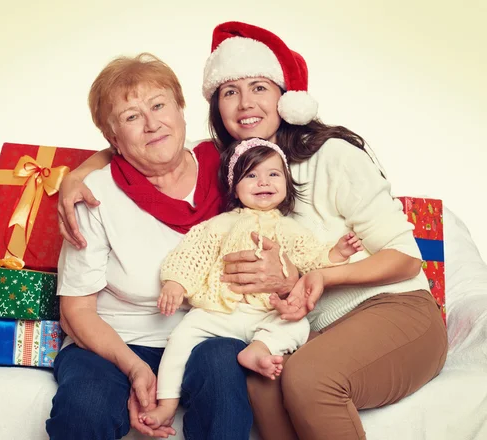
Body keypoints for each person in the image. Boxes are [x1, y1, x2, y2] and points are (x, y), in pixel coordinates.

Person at [56, 21, 448, 440]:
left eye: (260, 87)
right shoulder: (231, 168)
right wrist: (76, 174)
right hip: (283, 328)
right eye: (229, 91)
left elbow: (405, 258)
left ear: (286, 98)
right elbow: (142, 147)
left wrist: (315, 274)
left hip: (375, 309)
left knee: (296, 379)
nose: (246, 103)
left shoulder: (315, 158)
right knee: (258, 382)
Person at [46, 52, 273, 440]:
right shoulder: (95, 195)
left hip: (206, 335)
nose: (152, 124)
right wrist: (134, 368)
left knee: (222, 370)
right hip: (117, 340)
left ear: (182, 110)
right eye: (132, 117)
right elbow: (75, 311)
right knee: (83, 408)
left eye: (158, 105)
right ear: (113, 139)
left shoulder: (232, 168)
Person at [139, 137, 363, 429]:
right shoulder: (221, 224)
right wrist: (176, 283)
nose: (263, 182)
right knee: (180, 339)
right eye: (252, 175)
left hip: (266, 314)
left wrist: (337, 253)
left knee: (298, 326)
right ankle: (166, 403)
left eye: (273, 174)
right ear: (234, 185)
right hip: (218, 313)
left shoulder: (290, 229)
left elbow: (312, 263)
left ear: (286, 183)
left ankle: (259, 349)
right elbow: (192, 253)